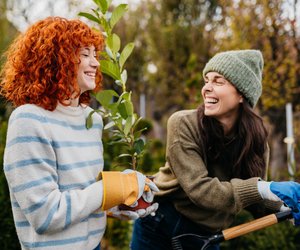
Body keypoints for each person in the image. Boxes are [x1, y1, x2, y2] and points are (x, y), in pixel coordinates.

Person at [0, 16, 158, 250]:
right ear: (56, 60)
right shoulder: (29, 120)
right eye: (84, 54)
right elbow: (45, 215)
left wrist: (119, 203)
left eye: (95, 54)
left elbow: (83, 194)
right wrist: (112, 187)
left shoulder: (89, 119)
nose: (95, 63)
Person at [131, 50, 300, 250]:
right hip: (160, 224)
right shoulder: (183, 123)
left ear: (241, 95)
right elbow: (200, 190)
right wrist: (265, 187)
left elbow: (254, 200)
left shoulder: (256, 140)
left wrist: (285, 208)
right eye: (207, 80)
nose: (206, 88)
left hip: (207, 236)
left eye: (218, 81)